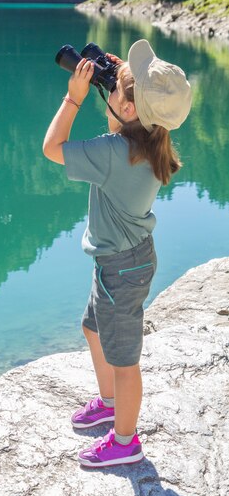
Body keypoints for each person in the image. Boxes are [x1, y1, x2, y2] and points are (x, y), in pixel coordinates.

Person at [42, 39, 192, 467]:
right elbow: (137, 108)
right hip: (127, 260)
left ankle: (125, 442)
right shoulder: (152, 136)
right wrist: (120, 75)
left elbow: (52, 148)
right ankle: (110, 403)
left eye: (116, 89)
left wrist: (74, 97)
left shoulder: (113, 153)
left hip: (120, 268)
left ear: (128, 111)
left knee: (125, 361)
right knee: (93, 329)